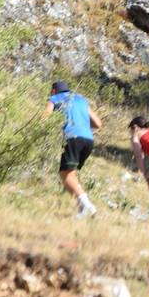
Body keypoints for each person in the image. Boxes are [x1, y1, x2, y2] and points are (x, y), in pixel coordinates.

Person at [47, 81, 101, 218]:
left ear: (54, 90)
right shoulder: (81, 99)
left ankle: (88, 206)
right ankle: (82, 210)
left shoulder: (54, 98)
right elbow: (98, 123)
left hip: (72, 137)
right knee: (71, 175)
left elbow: (45, 116)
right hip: (88, 139)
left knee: (65, 175)